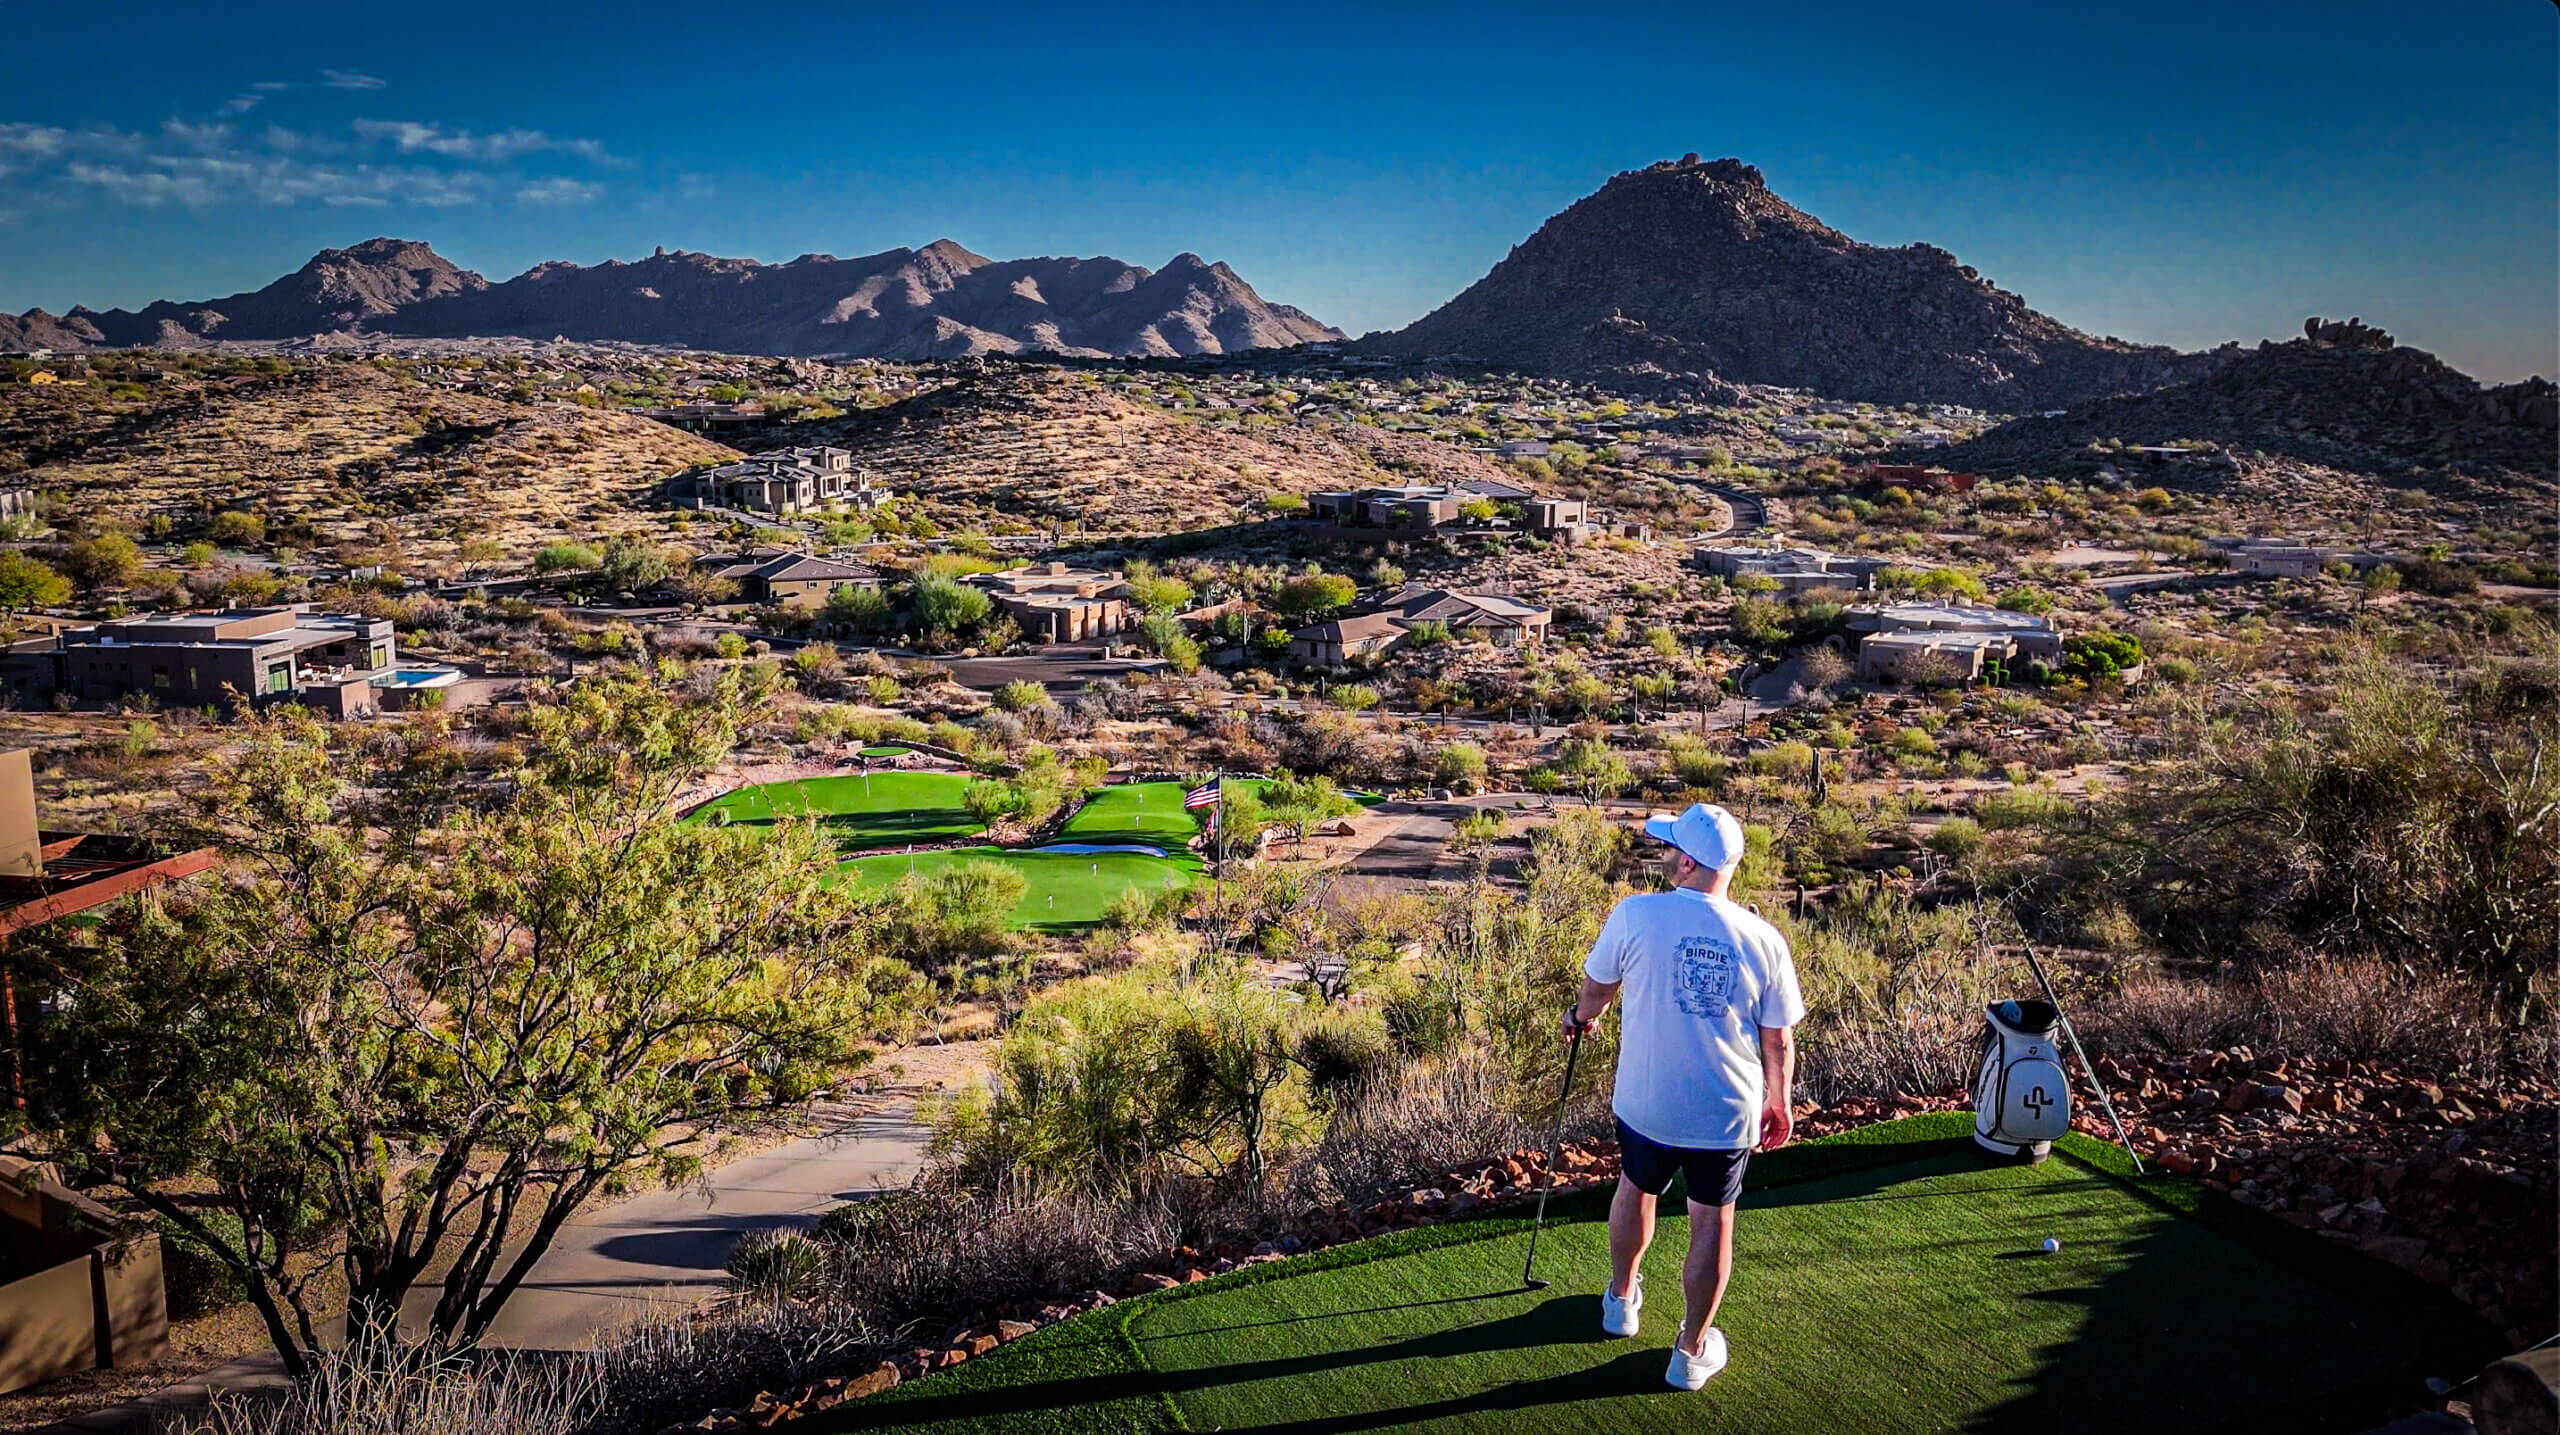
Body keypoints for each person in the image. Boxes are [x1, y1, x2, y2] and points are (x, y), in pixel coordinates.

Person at [1563, 801, 1805, 1391]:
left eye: (1670, 846)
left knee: (1636, 1186)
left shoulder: (1636, 915)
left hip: (1647, 1101)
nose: (1663, 852)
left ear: (1689, 862)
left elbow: (1597, 988)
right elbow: (1777, 1041)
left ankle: (1621, 1302)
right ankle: (1691, 1352)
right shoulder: (1764, 938)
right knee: (1712, 1220)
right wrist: (1781, 1100)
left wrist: (1581, 1017)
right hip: (1723, 1112)